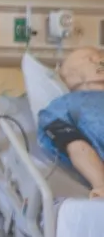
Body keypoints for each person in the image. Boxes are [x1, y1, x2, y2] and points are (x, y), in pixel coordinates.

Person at [38, 46, 104, 199]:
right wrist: (100, 183)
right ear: (70, 77)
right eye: (90, 58)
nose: (100, 60)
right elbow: (75, 145)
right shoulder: (62, 106)